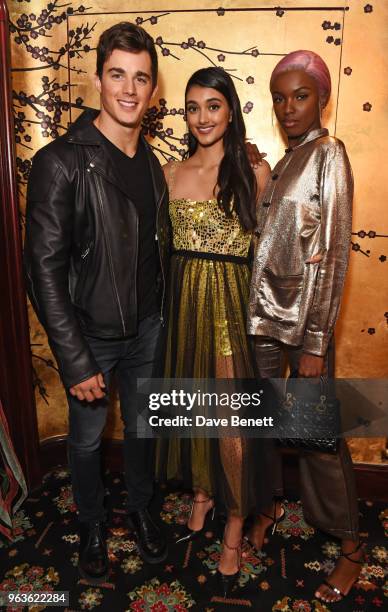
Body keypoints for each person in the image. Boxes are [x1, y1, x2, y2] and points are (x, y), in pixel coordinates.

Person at [24, 22, 171, 582]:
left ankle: (141, 510)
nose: (129, 90)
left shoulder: (153, 164)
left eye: (140, 78)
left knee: (144, 430)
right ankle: (90, 522)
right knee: (86, 440)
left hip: (149, 329)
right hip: (91, 336)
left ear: (152, 88)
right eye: (117, 75)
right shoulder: (60, 161)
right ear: (98, 80)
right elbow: (43, 271)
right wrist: (76, 358)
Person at [247, 50, 363, 604]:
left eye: (300, 95)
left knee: (318, 437)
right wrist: (259, 180)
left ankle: (351, 547)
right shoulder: (287, 160)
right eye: (279, 97)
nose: (288, 107)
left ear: (322, 98)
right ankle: (267, 509)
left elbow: (334, 252)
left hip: (303, 326)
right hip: (262, 319)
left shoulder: (328, 154)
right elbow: (272, 241)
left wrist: (316, 341)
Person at [157, 67, 272, 597]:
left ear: (230, 111)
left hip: (228, 304)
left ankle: (233, 522)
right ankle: (202, 489)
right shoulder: (169, 172)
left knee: (230, 419)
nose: (202, 117)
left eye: (213, 106)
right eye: (193, 107)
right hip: (183, 304)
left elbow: (272, 248)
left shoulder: (253, 172)